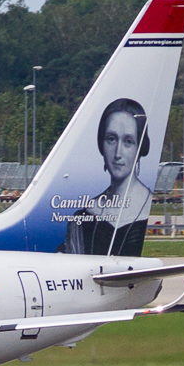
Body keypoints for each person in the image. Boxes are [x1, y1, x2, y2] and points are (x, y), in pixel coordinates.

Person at [59, 98, 153, 256]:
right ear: (101, 144)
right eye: (111, 139)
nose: (117, 153)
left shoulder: (145, 206)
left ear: (140, 147)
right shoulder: (83, 217)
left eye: (128, 142)